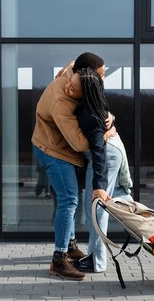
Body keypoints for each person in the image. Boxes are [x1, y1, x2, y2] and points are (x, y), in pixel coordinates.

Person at [31, 52, 110, 281]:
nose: (103, 81)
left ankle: (71, 243)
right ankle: (60, 258)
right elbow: (79, 142)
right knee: (69, 199)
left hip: (58, 146)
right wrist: (106, 130)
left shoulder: (75, 70)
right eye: (101, 76)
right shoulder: (61, 103)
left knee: (65, 198)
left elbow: (75, 62)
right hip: (53, 150)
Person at [63, 65, 133, 274]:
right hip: (111, 152)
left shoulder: (90, 116)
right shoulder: (90, 98)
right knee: (114, 200)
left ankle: (97, 261)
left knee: (96, 208)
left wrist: (99, 186)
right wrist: (66, 71)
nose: (67, 88)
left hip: (106, 156)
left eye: (72, 88)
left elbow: (99, 152)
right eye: (69, 83)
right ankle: (149, 220)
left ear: (85, 92)